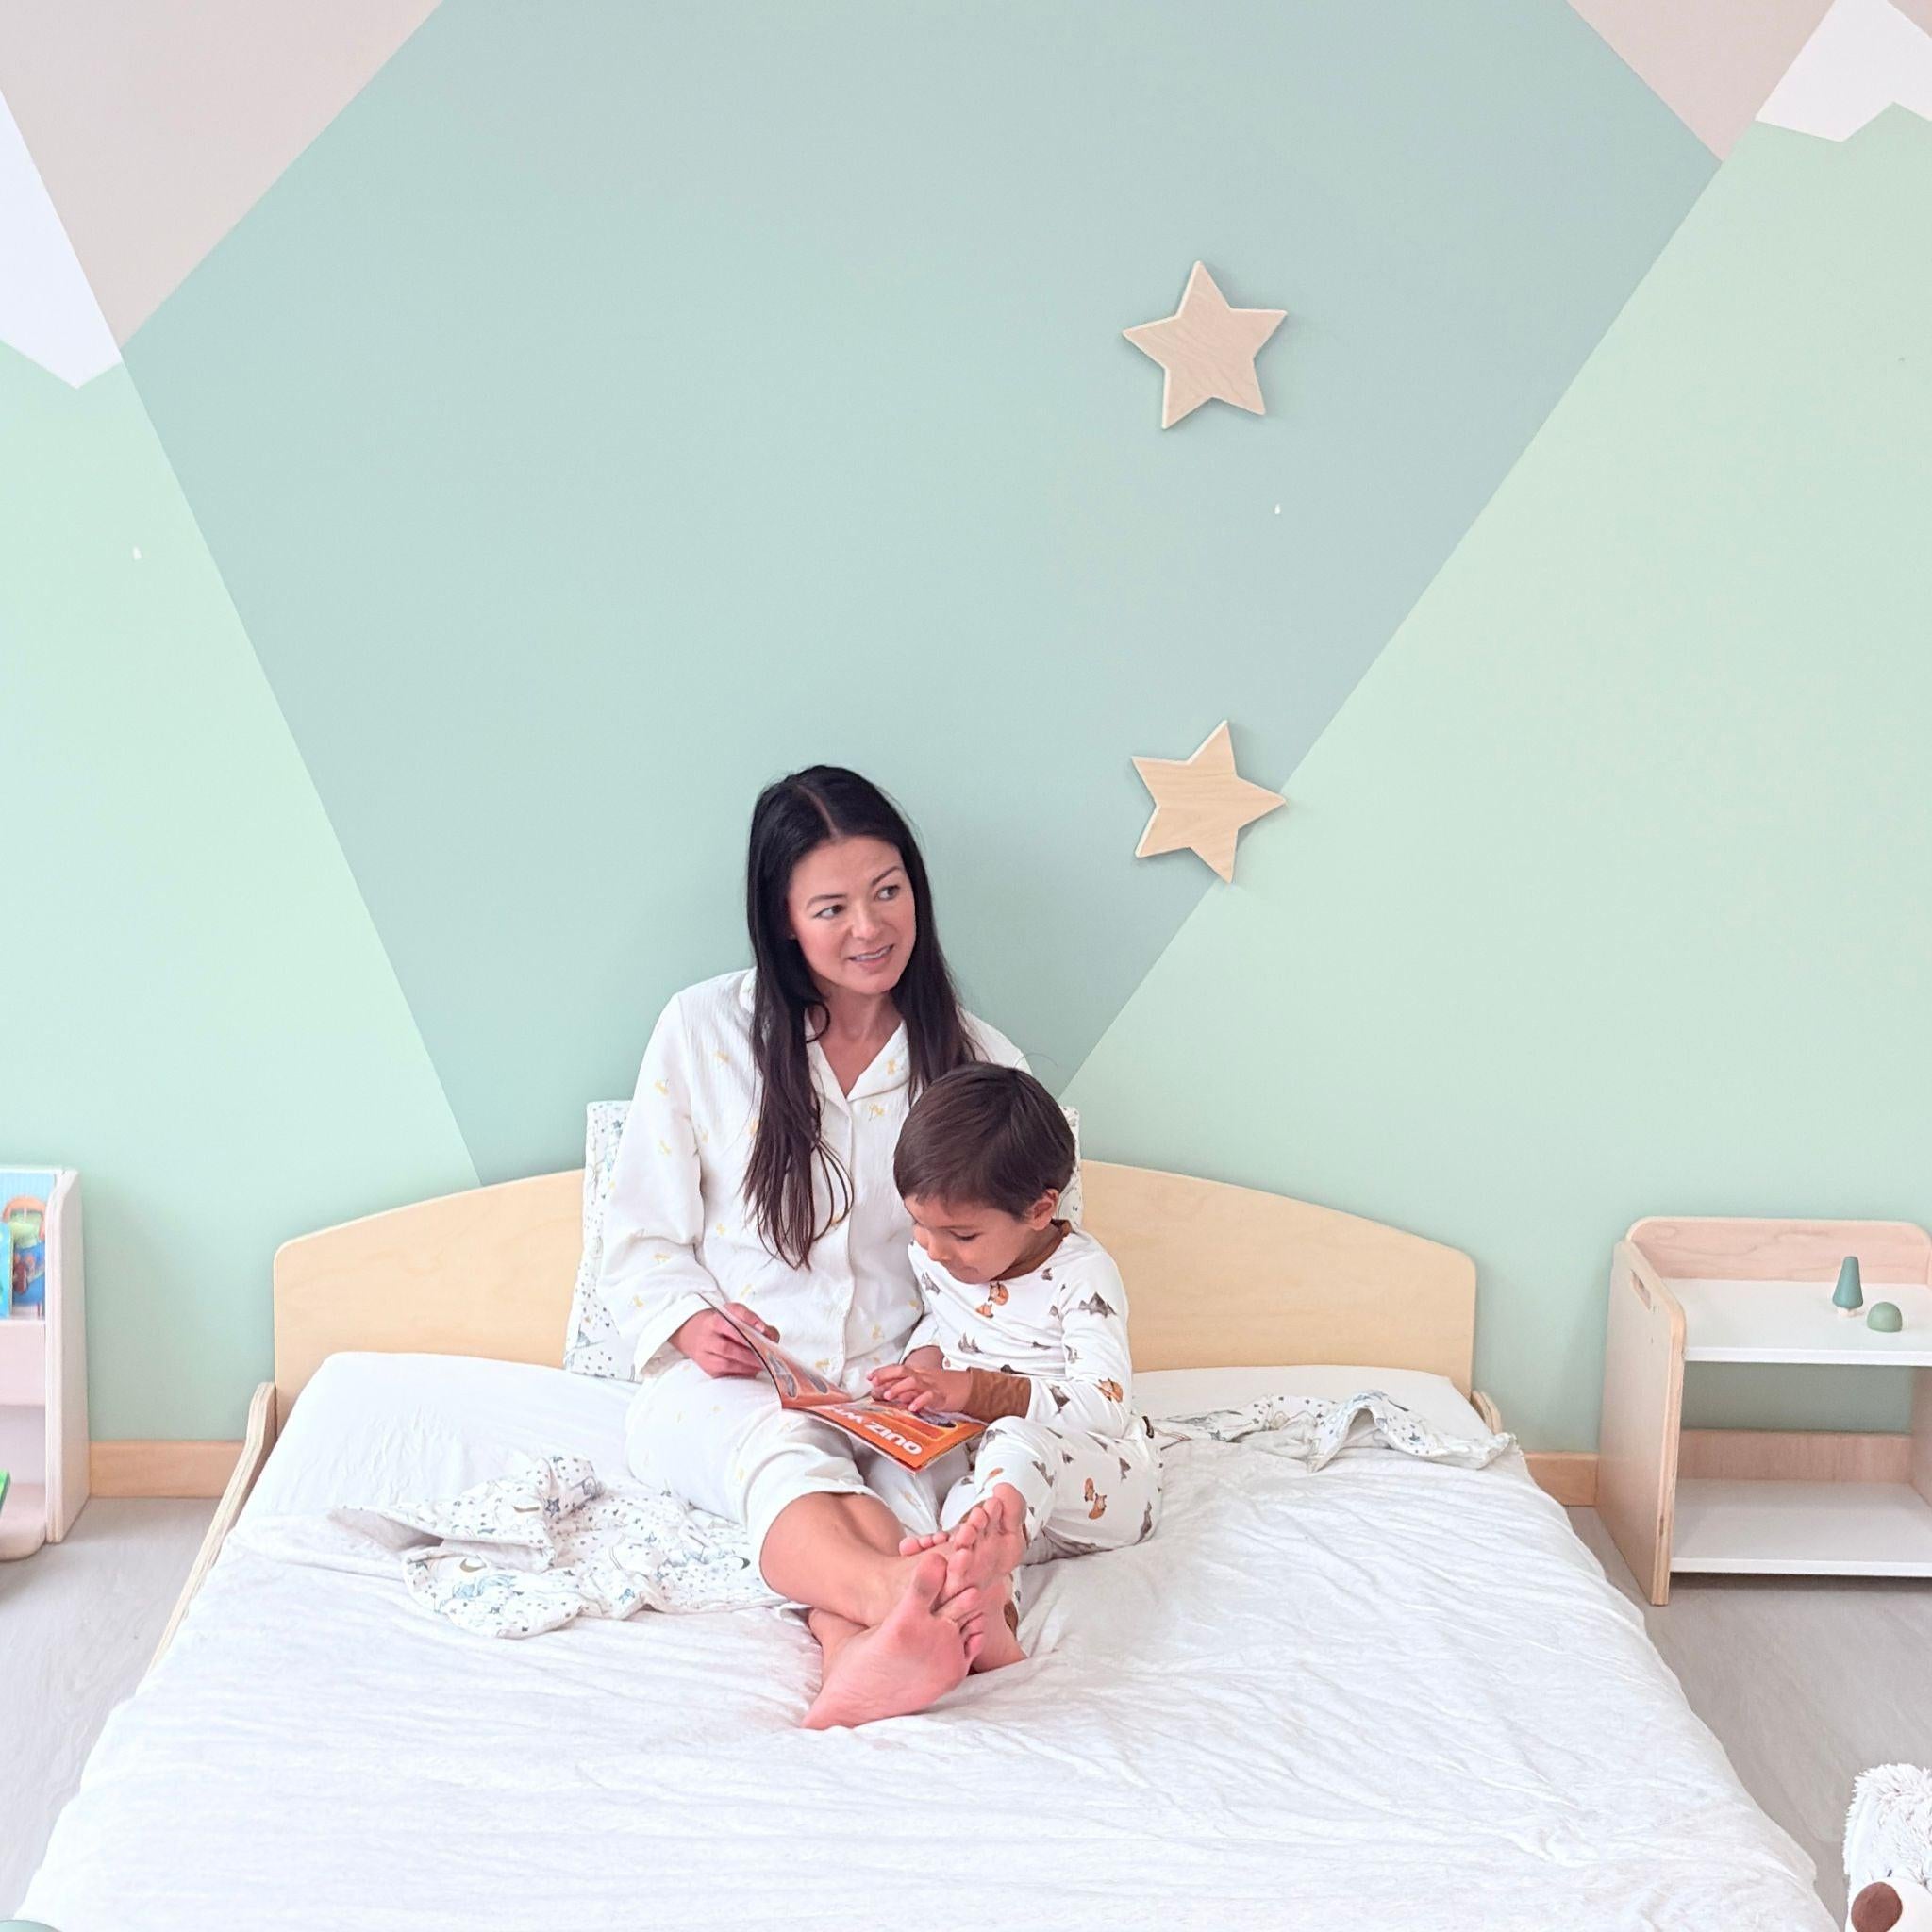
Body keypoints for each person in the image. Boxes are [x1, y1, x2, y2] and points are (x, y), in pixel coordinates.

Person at [597, 765, 1030, 1727]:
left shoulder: (981, 1064)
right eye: (831, 907)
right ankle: (918, 1602)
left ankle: (859, 1654)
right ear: (783, 919)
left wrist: (942, 1364)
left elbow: (1022, 1267)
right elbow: (638, 1233)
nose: (869, 927)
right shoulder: (703, 1030)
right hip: (739, 1382)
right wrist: (690, 1320)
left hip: (901, 1387)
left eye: (887, 891)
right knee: (785, 1455)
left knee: (920, 1486)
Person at [869, 1063, 1162, 1671]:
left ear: (1038, 1209)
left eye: (961, 1235)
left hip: (1101, 1485)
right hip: (1011, 1500)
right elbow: (949, 1321)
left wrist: (973, 1390)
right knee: (953, 1512)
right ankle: (985, 1618)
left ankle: (983, 1558)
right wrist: (920, 1370)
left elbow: (1105, 1407)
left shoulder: (1082, 1277)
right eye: (918, 1223)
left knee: (1013, 1442)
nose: (933, 1249)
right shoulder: (939, 1257)